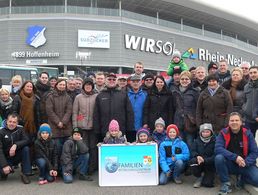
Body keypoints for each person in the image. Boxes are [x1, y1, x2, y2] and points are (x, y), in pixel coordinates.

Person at [215, 112, 258, 195]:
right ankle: (225, 183)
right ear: (229, 122)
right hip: (230, 163)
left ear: (241, 122)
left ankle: (243, 179)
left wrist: (246, 162)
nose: (234, 122)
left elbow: (255, 151)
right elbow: (218, 149)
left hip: (245, 164)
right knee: (219, 158)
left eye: (236, 120)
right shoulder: (223, 133)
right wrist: (235, 157)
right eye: (232, 120)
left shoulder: (248, 133)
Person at [93, 73, 134, 141]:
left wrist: (129, 128)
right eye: (109, 79)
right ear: (105, 81)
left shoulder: (123, 94)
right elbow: (96, 114)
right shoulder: (100, 96)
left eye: (114, 79)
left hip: (120, 131)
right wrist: (97, 130)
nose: (111, 81)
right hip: (105, 131)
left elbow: (129, 112)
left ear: (116, 81)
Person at [72, 77, 98, 174]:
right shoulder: (78, 97)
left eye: (90, 85)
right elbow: (75, 112)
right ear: (83, 86)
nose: (88, 87)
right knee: (83, 148)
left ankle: (92, 168)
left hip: (93, 127)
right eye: (86, 85)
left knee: (93, 148)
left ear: (92, 86)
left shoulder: (96, 96)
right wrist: (75, 126)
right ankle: (83, 168)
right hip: (81, 127)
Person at [46, 79, 73, 163]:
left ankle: (65, 168)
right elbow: (49, 111)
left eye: (63, 85)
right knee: (57, 150)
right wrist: (58, 122)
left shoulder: (68, 97)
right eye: (60, 84)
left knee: (66, 151)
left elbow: (69, 110)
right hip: (55, 128)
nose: (62, 86)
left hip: (66, 128)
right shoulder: (50, 97)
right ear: (56, 85)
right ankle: (56, 168)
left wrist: (63, 122)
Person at [0, 113, 31, 184]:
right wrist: (4, 165)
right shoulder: (1, 131)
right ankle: (5, 171)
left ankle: (25, 174)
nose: (12, 124)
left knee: (26, 149)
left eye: (14, 122)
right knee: (2, 173)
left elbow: (27, 140)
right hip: (6, 157)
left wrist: (15, 145)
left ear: (17, 123)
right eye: (10, 121)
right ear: (6, 121)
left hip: (17, 155)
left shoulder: (20, 129)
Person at [173, 71, 199, 148]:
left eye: (187, 79)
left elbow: (198, 108)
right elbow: (173, 107)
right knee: (180, 145)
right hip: (178, 122)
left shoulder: (194, 92)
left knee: (190, 144)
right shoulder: (175, 92)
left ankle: (190, 159)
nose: (184, 81)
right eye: (182, 79)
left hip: (190, 122)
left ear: (190, 80)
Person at [190, 123, 216, 188]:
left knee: (208, 184)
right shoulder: (196, 141)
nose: (205, 133)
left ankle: (207, 176)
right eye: (203, 132)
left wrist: (205, 160)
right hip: (199, 162)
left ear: (211, 132)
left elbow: (215, 155)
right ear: (200, 132)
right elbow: (192, 151)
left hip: (209, 164)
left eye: (207, 132)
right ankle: (199, 177)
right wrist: (197, 156)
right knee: (193, 161)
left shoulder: (215, 141)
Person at [127, 75, 147, 142]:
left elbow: (147, 110)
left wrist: (145, 123)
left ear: (141, 83)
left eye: (137, 81)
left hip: (142, 126)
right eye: (133, 81)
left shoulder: (145, 94)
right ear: (130, 83)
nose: (135, 83)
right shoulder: (126, 95)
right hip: (129, 126)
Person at [242, 66, 258, 136]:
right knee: (249, 141)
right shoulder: (246, 86)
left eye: (255, 72)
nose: (253, 74)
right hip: (249, 119)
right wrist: (245, 109)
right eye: (251, 73)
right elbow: (244, 100)